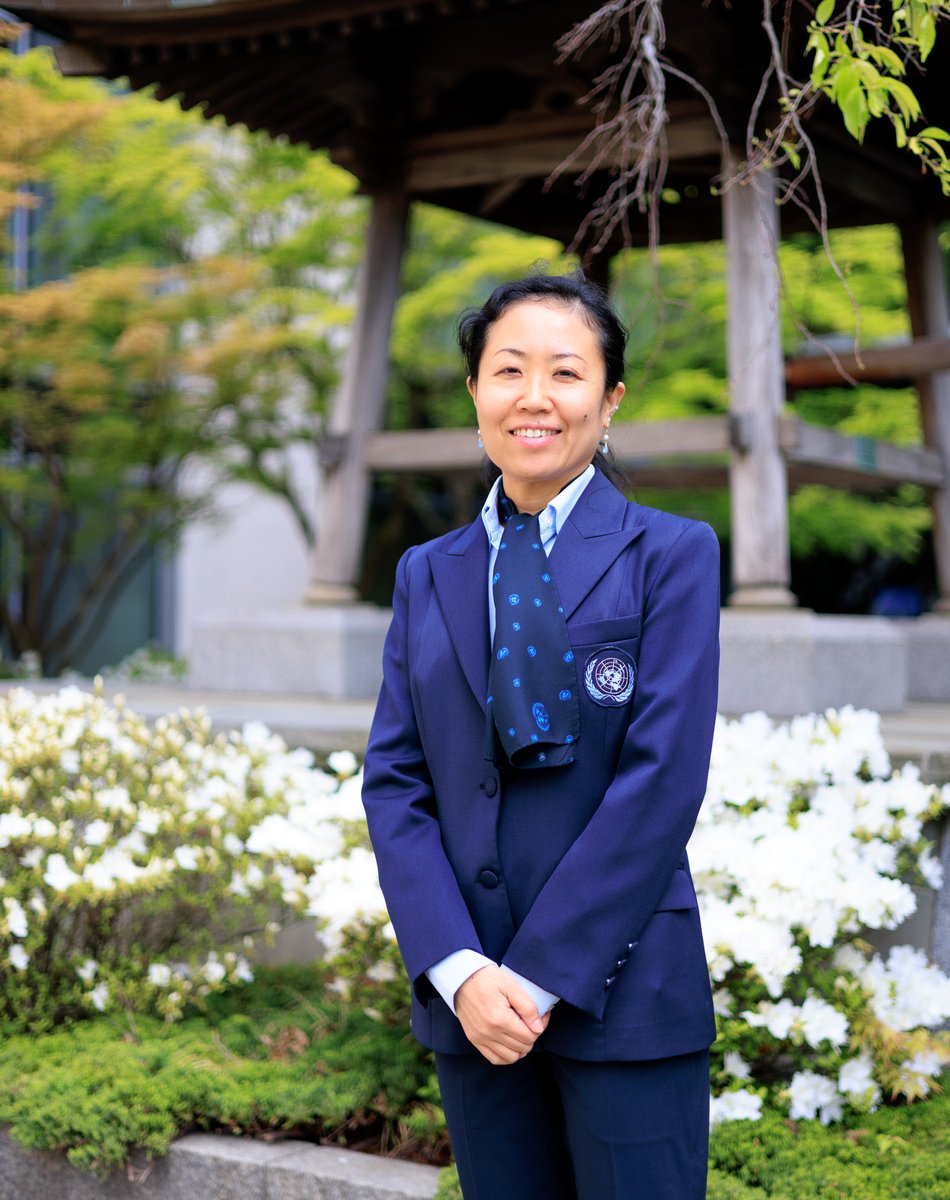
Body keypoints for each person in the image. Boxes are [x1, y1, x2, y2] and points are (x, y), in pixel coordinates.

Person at [361, 272, 720, 1200]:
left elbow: (661, 781)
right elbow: (395, 782)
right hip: (472, 1007)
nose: (533, 397)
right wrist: (458, 969)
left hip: (626, 991)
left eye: (565, 373)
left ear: (609, 400)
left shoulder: (671, 556)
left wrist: (539, 977)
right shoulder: (425, 572)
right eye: (507, 369)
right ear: (474, 393)